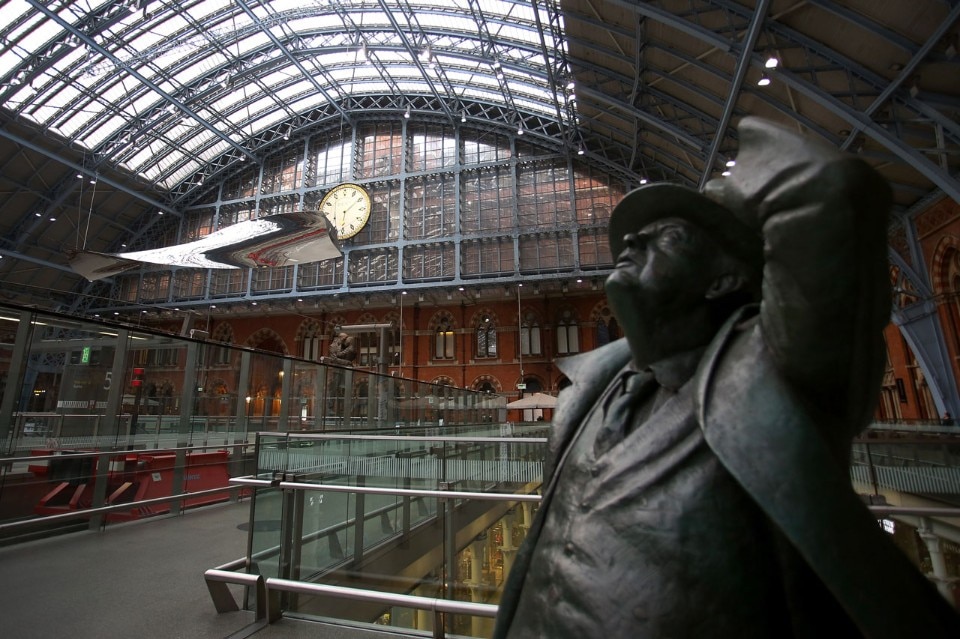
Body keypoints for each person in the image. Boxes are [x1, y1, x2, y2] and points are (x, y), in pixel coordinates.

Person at [493, 117, 960, 637]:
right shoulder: (590, 389)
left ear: (726, 279)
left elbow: (830, 191)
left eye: (668, 235)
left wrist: (728, 198)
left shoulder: (775, 370)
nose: (633, 238)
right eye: (633, 235)